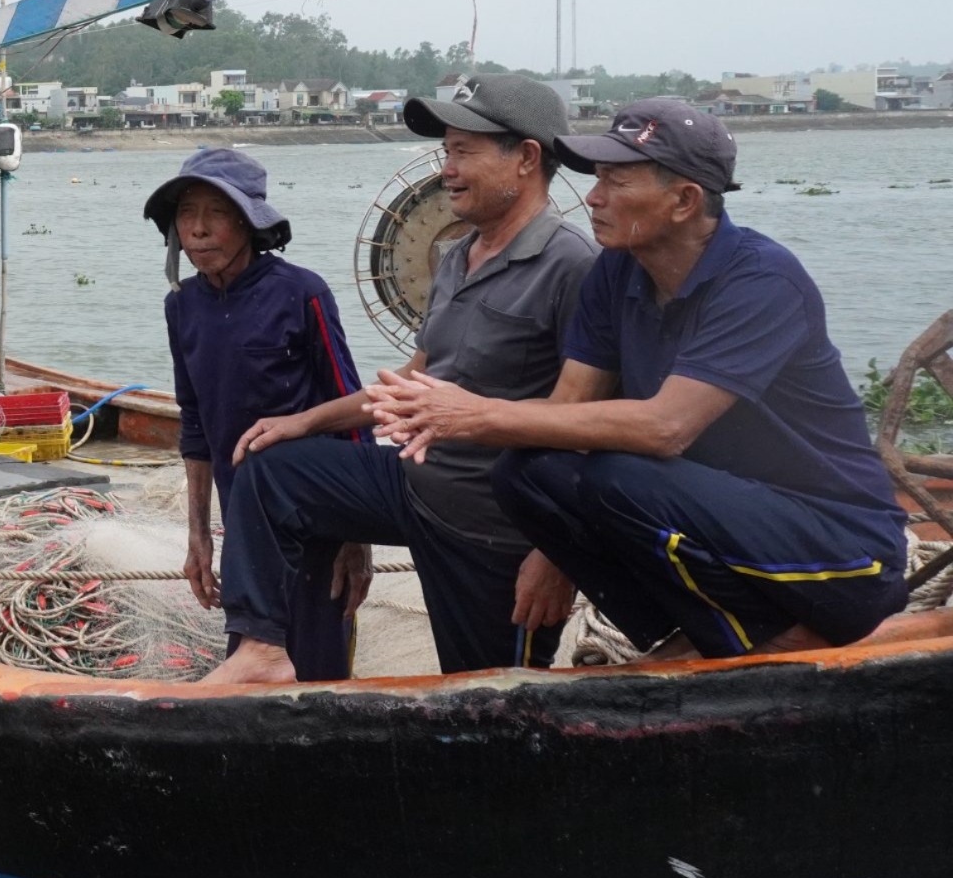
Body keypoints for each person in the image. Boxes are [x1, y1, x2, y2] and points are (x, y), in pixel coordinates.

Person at [371, 100, 908, 658]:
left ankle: (763, 639)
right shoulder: (617, 268)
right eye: (597, 178)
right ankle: (694, 633)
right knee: (527, 472)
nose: (595, 197)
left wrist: (475, 413)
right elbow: (567, 407)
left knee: (616, 476)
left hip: (843, 558)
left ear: (683, 200)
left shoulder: (762, 279)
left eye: (617, 181)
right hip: (727, 522)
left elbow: (665, 428)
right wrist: (551, 548)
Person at [209, 75, 598, 682]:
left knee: (490, 707)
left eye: (464, 151)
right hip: (414, 489)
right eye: (447, 152)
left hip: (496, 536)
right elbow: (413, 381)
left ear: (525, 159)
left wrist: (557, 557)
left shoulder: (573, 268)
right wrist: (306, 421)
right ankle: (262, 649)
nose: (447, 169)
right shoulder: (455, 259)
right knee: (271, 470)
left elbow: (590, 431)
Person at [144, 150, 369, 681]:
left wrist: (358, 540)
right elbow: (194, 423)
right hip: (242, 523)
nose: (197, 230)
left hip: (315, 516)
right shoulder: (182, 307)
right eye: (186, 213)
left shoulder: (301, 292)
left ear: (248, 222)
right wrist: (199, 534)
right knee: (253, 663)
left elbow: (352, 405)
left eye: (216, 213)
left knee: (318, 672)